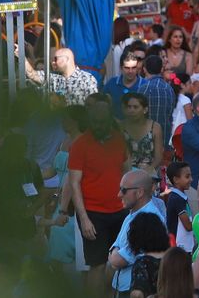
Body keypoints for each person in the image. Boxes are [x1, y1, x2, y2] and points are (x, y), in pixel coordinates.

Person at [59, 94, 130, 292]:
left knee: (118, 262)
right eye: (95, 121)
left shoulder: (118, 140)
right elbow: (74, 183)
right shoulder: (80, 145)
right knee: (96, 265)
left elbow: (126, 170)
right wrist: (84, 219)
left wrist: (129, 206)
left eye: (102, 121)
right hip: (93, 212)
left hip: (119, 211)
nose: (99, 125)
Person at [108, 167, 167, 294]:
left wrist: (114, 254)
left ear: (140, 193)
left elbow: (118, 261)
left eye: (124, 190)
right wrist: (115, 254)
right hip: (125, 286)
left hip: (136, 290)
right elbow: (114, 255)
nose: (119, 195)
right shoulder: (132, 215)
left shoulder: (149, 220)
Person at [28, 46, 100, 106]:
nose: (53, 62)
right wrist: (22, 55)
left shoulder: (87, 79)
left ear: (66, 59)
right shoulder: (52, 77)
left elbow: (93, 105)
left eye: (55, 59)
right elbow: (32, 74)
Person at [119, 92, 166, 172]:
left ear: (145, 110)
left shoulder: (155, 127)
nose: (131, 110)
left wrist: (149, 170)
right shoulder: (120, 127)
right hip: (125, 172)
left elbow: (158, 157)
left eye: (135, 107)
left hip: (149, 172)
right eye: (129, 107)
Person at [164, 160, 197, 249]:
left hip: (184, 246)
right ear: (176, 180)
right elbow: (188, 226)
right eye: (187, 176)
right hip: (178, 247)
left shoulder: (180, 197)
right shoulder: (176, 199)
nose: (191, 179)